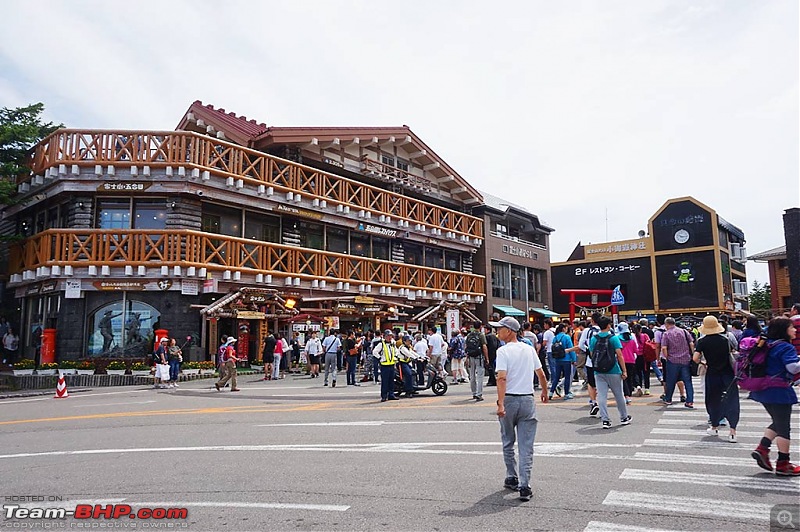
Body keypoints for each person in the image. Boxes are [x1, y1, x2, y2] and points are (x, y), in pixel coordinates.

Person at [491, 316, 548, 502]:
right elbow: (540, 373)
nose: (497, 332)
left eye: (500, 329)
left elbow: (501, 378)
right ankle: (525, 485)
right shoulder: (529, 349)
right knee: (526, 445)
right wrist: (545, 391)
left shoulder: (503, 351)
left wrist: (500, 403)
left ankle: (512, 476)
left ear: (510, 331)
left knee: (508, 440)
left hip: (509, 399)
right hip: (527, 399)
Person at [750, 317, 800, 476]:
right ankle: (783, 464)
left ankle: (762, 449)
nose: (795, 330)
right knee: (784, 427)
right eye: (792, 327)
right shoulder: (785, 347)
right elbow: (792, 368)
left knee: (778, 422)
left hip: (763, 389)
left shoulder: (768, 344)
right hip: (779, 391)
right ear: (784, 330)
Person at [692, 315, 739, 443]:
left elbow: (695, 358)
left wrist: (705, 363)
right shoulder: (726, 339)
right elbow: (734, 352)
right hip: (728, 374)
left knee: (713, 400)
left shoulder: (702, 341)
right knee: (732, 400)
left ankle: (714, 426)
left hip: (712, 373)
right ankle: (733, 432)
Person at [590, 316, 631, 429]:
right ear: (608, 325)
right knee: (619, 395)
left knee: (602, 396)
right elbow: (619, 355)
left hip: (598, 371)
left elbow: (592, 354)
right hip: (613, 370)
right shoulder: (613, 338)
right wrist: (624, 370)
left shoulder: (594, 339)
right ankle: (623, 417)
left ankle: (605, 420)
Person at [660, 317, 696, 408]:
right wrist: (691, 354)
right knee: (687, 381)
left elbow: (664, 347)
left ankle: (668, 399)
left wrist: (667, 357)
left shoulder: (666, 334)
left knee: (670, 381)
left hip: (672, 360)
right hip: (685, 359)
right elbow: (691, 343)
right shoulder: (684, 331)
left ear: (666, 324)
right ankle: (690, 401)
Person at [549, 323, 578, 400]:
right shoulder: (566, 337)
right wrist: (574, 359)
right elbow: (571, 349)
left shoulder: (555, 338)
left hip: (557, 359)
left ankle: (551, 393)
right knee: (567, 377)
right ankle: (566, 393)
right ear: (564, 329)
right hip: (566, 359)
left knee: (557, 377)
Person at [466, 323, 490, 402]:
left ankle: (474, 393)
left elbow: (466, 347)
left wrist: (467, 357)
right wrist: (487, 358)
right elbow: (484, 346)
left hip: (471, 357)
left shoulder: (469, 335)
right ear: (480, 327)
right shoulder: (481, 335)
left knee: (472, 375)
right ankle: (479, 394)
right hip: (479, 357)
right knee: (480, 376)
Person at [373, 329, 399, 401]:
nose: (389, 337)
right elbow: (375, 352)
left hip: (392, 365)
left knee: (391, 381)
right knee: (385, 381)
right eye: (388, 336)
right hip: (384, 365)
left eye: (390, 336)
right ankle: (384, 396)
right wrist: (380, 358)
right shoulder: (381, 344)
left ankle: (391, 394)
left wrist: (395, 357)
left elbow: (396, 351)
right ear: (384, 337)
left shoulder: (393, 343)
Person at [617, 322, 639, 404]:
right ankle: (629, 394)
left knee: (623, 378)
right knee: (630, 377)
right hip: (631, 360)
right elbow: (636, 351)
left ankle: (626, 395)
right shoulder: (632, 339)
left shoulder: (617, 338)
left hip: (621, 360)